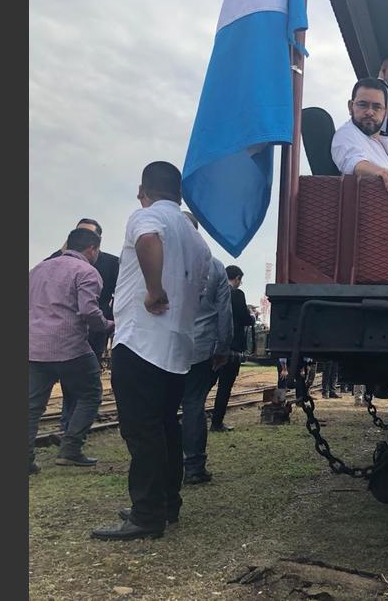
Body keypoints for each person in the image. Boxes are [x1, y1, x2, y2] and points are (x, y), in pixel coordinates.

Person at [91, 161, 211, 541]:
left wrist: (154, 288)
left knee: (142, 431)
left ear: (144, 191)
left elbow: (147, 239)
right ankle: (166, 503)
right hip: (177, 348)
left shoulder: (145, 217)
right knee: (165, 427)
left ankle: (146, 515)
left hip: (141, 341)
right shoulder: (197, 240)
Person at [29, 227, 114, 473]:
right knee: (91, 394)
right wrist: (108, 325)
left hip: (34, 347)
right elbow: (88, 311)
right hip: (70, 347)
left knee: (32, 406)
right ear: (92, 249)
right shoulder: (87, 271)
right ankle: (71, 449)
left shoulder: (37, 270)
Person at [46, 218, 119, 433]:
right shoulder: (56, 261)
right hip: (63, 328)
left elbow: (121, 293)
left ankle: (74, 426)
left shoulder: (111, 263)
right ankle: (68, 425)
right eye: (78, 233)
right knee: (65, 379)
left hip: (95, 330)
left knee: (88, 379)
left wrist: (110, 322)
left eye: (88, 233)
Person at [180, 212, 232, 484]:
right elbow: (224, 313)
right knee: (193, 405)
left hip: (164, 346)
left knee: (163, 407)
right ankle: (194, 466)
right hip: (200, 348)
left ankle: (167, 465)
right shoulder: (215, 266)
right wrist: (223, 348)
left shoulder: (158, 259)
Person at [331, 77, 388, 196]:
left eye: (377, 107)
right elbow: (354, 163)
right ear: (351, 107)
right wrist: (383, 172)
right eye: (363, 105)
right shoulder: (346, 134)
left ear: (386, 113)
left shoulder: (380, 142)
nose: (370, 112)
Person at [207, 265, 256, 432]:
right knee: (224, 387)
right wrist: (252, 317)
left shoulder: (213, 292)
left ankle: (192, 418)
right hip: (231, 348)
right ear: (237, 279)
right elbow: (243, 318)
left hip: (210, 346)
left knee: (204, 385)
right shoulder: (237, 294)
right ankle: (216, 422)